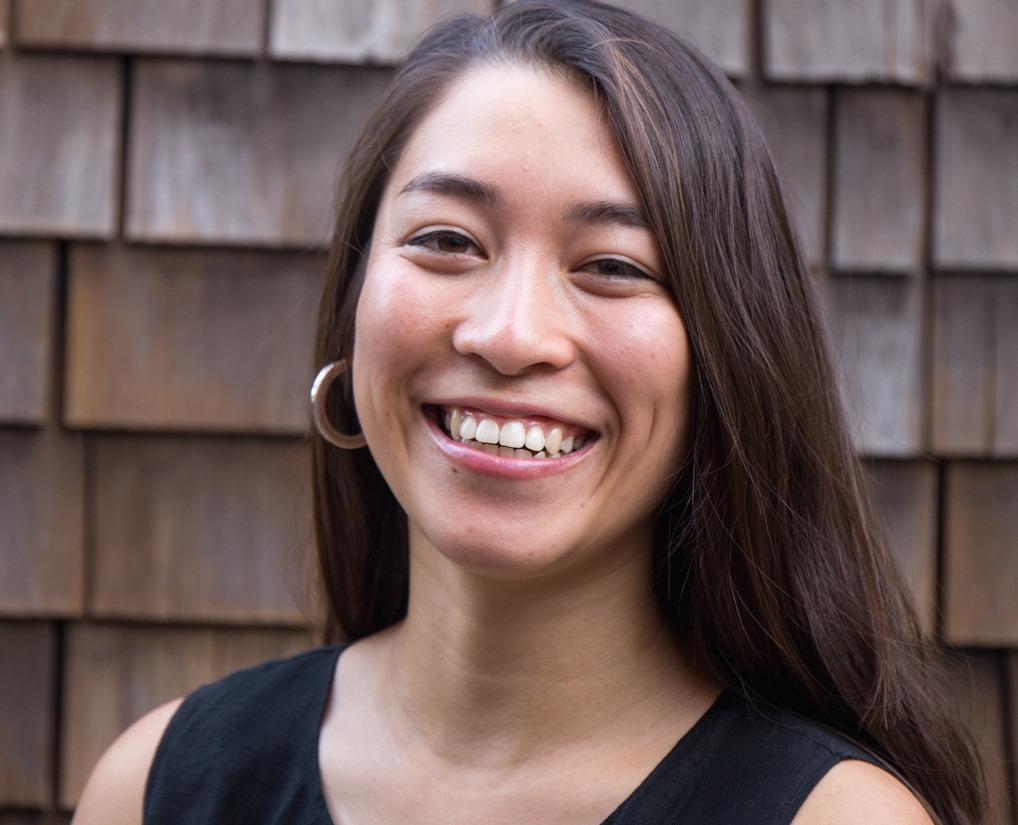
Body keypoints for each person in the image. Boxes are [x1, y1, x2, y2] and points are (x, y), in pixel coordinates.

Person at [73, 2, 986, 823]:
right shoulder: (157, 788)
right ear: (355, 299)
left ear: (727, 360)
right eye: (447, 241)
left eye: (613, 265)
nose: (511, 336)